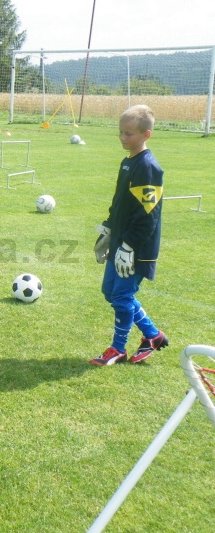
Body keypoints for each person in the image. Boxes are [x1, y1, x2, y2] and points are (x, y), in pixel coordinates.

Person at [90, 104, 168, 365]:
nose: (123, 138)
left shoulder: (148, 167)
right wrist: (109, 228)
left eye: (129, 134)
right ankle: (152, 335)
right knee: (110, 292)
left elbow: (149, 216)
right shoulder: (128, 161)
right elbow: (121, 201)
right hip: (122, 242)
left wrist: (129, 246)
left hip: (136, 248)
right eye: (121, 132)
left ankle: (118, 348)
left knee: (122, 296)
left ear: (146, 135)